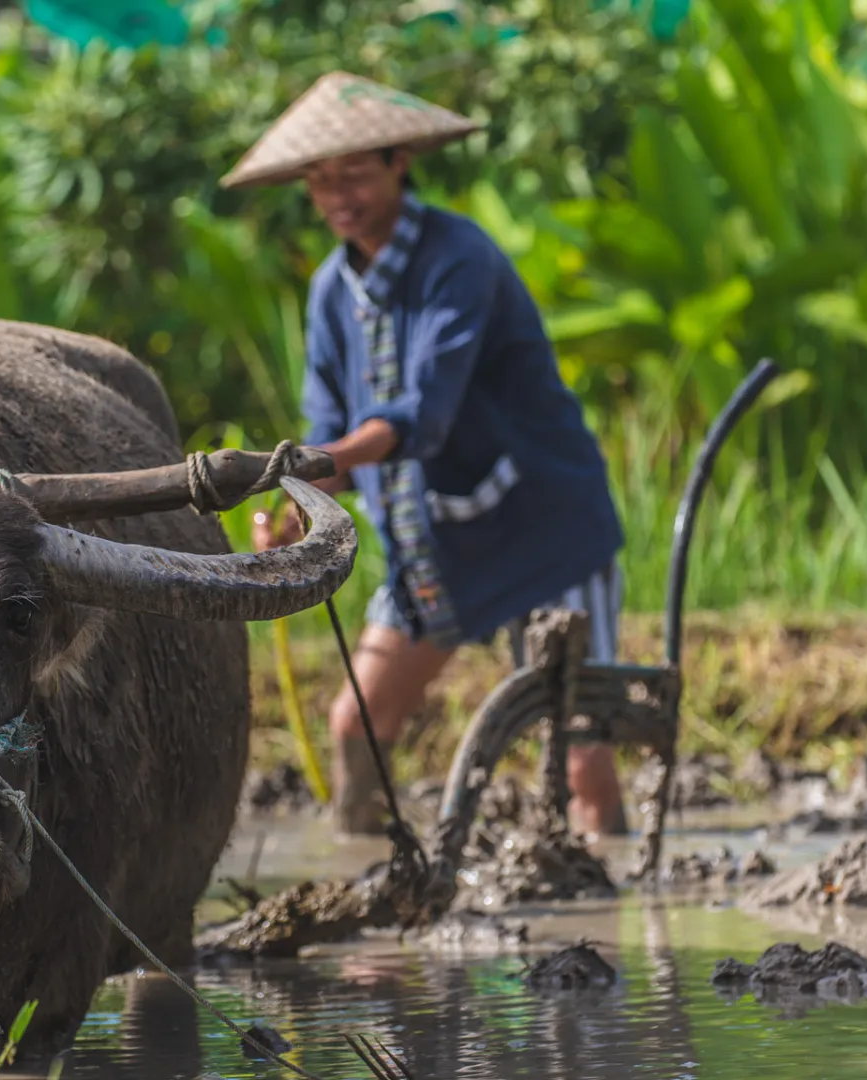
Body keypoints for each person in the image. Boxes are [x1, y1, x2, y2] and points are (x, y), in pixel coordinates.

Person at [222, 72, 630, 838]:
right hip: (431, 546)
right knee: (355, 724)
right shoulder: (330, 291)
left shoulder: (459, 258)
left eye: (354, 174)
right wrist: (297, 506)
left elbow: (423, 415)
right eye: (320, 181)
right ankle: (375, 870)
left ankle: (605, 878)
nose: (337, 196)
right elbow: (329, 430)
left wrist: (316, 465)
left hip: (540, 527)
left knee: (579, 752)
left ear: (399, 162)